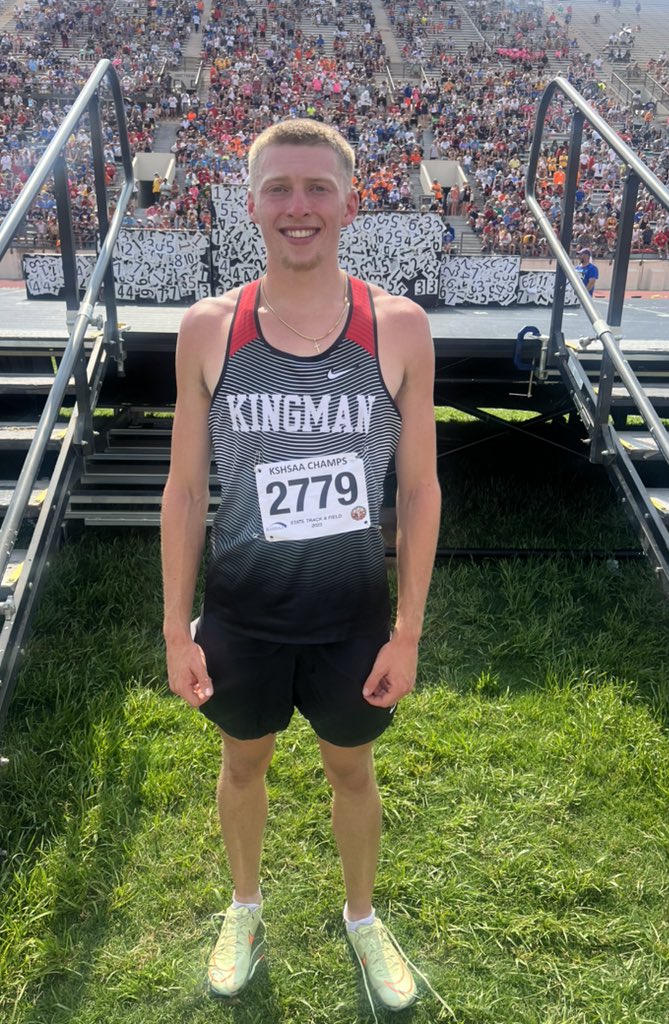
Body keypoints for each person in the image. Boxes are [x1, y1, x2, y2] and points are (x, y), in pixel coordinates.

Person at [161, 119, 441, 1012]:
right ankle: (245, 906)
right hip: (242, 611)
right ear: (251, 204)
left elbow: (423, 490)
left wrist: (408, 630)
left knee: (351, 771)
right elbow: (182, 487)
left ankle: (362, 917)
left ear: (351, 201)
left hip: (351, 615)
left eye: (318, 187)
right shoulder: (210, 329)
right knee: (243, 766)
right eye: (279, 188)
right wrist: (176, 626)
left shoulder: (396, 327)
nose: (299, 207)